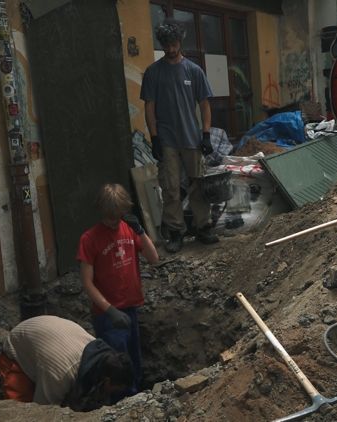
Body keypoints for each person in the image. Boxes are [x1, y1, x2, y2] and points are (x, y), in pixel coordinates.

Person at [141, 20, 218, 253]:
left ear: (180, 42)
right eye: (166, 45)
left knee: (198, 184)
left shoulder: (194, 71)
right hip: (167, 140)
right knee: (170, 187)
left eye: (174, 44)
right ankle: (176, 232)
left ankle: (203, 227)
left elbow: (204, 105)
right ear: (162, 44)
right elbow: (149, 107)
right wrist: (154, 138)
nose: (171, 49)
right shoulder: (153, 73)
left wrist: (206, 134)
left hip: (192, 138)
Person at [76, 183, 159, 396]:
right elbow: (87, 282)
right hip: (109, 316)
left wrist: (141, 232)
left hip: (130, 308)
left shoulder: (129, 229)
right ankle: (120, 403)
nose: (114, 222)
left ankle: (139, 399)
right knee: (116, 370)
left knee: (134, 362)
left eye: (117, 216)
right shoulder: (89, 239)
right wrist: (109, 309)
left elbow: (153, 258)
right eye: (109, 218)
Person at [0, 315, 133, 411]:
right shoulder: (61, 375)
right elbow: (42, 412)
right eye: (115, 390)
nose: (111, 394)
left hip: (46, 339)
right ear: (107, 381)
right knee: (23, 411)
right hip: (18, 349)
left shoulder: (98, 353)